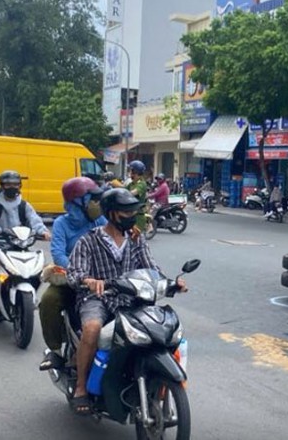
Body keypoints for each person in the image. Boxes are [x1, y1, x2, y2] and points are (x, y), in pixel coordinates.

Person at [66, 188, 186, 415]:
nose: (131, 217)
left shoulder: (136, 238)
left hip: (132, 298)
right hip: (98, 299)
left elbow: (151, 267)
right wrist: (88, 281)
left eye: (133, 212)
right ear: (111, 214)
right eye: (126, 212)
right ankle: (81, 387)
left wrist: (171, 283)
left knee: (160, 330)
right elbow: (74, 274)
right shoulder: (89, 241)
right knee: (92, 329)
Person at [38, 177, 107, 371]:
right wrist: (79, 273)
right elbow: (58, 253)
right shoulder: (62, 223)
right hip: (71, 279)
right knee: (48, 300)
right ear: (77, 201)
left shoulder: (101, 220)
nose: (96, 204)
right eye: (92, 199)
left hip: (101, 280)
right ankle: (55, 351)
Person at [0, 170, 51, 310]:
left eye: (15, 184)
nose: (12, 187)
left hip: (22, 243)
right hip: (0, 244)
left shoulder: (24, 206)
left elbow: (35, 221)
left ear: (20, 186)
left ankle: (31, 295)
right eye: (8, 184)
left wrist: (44, 232)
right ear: (2, 186)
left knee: (37, 268)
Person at [126, 160, 148, 230]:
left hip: (138, 216)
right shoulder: (131, 183)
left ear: (135, 172)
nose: (129, 172)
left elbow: (133, 193)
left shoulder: (142, 184)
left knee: (136, 238)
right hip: (130, 213)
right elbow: (123, 190)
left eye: (131, 170)